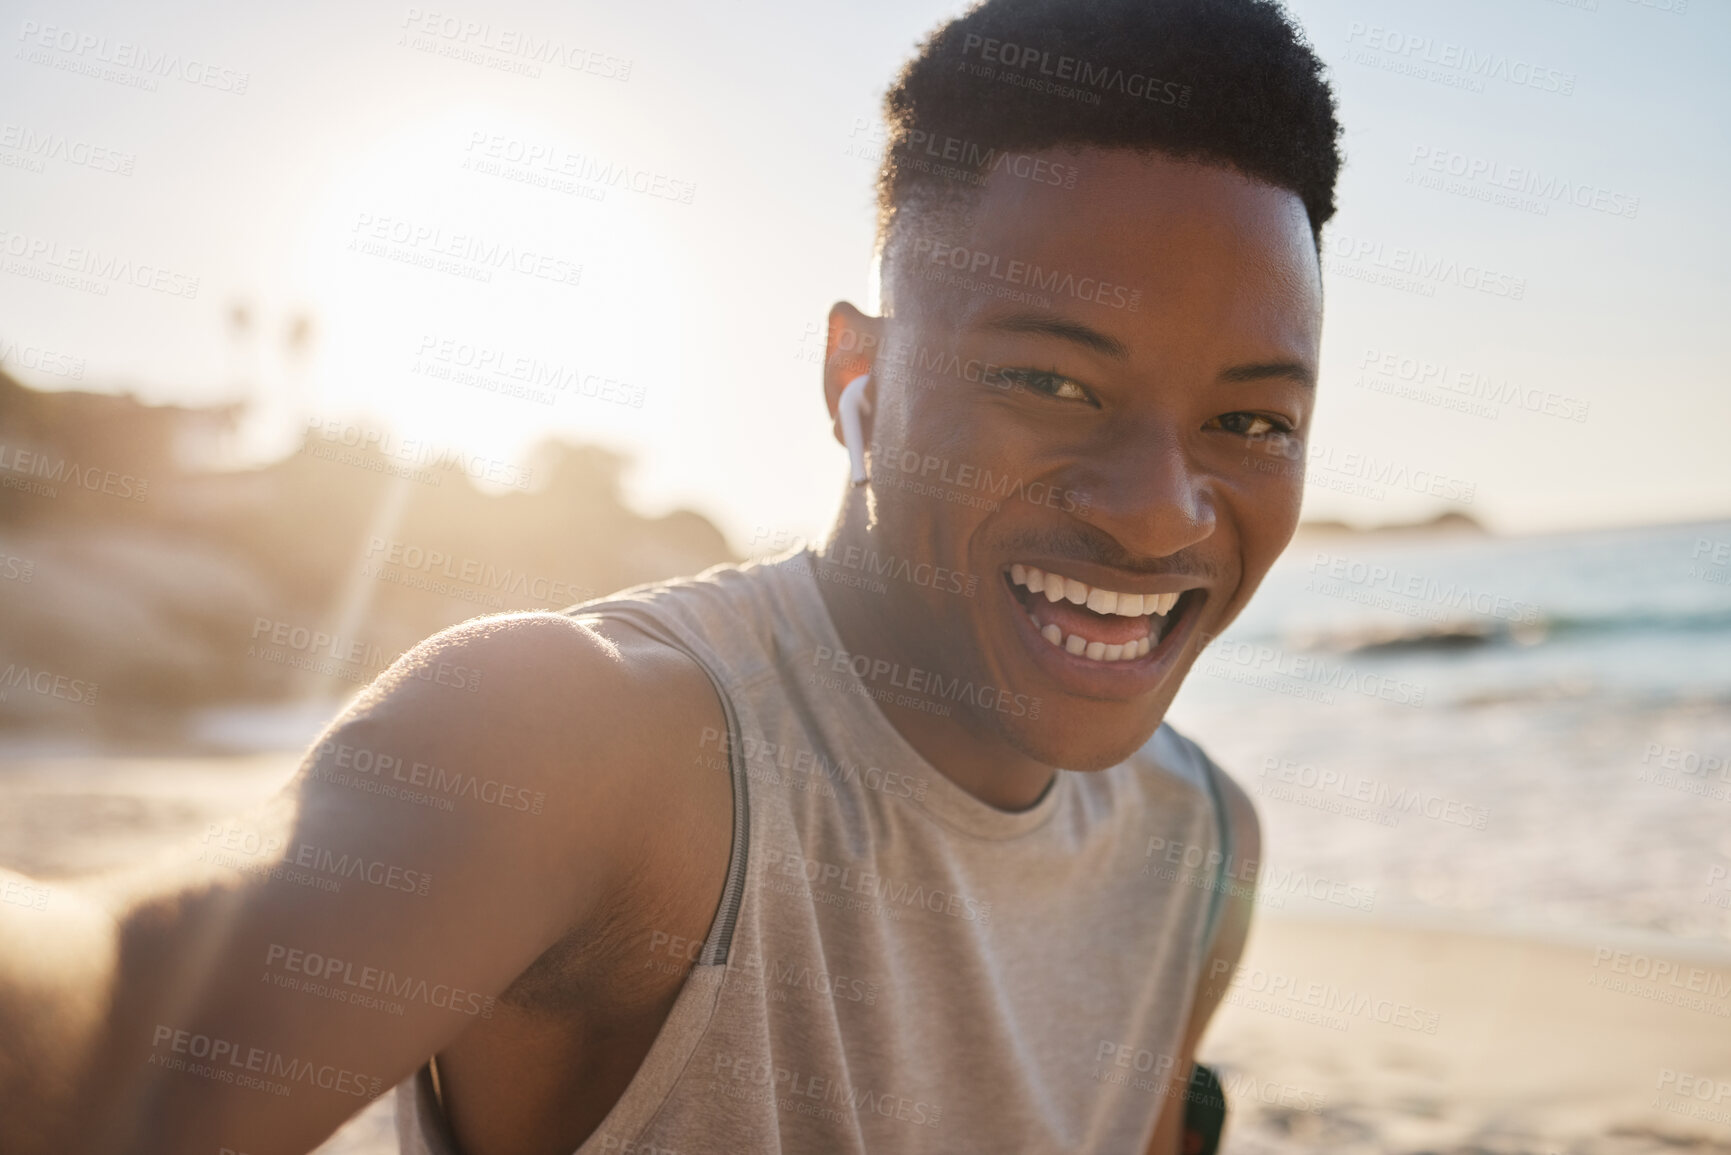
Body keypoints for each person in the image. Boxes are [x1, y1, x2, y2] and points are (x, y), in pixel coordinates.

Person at [0, 0, 1342, 1151]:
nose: (1163, 519)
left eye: (1252, 421)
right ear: (857, 381)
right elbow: (106, 1028)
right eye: (1049, 382)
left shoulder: (1202, 842)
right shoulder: (591, 741)